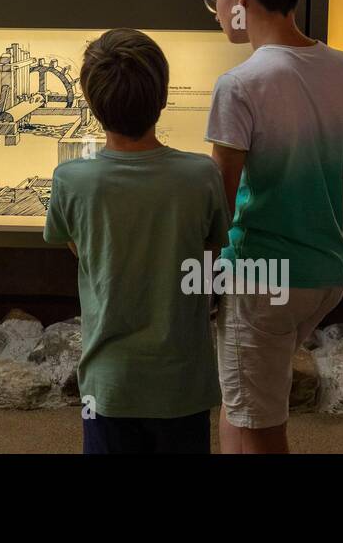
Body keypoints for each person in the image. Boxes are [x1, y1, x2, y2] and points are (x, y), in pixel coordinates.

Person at [202, 0, 343, 454]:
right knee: (245, 401)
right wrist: (329, 240)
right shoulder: (341, 67)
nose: (218, 11)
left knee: (259, 427)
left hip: (262, 279)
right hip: (326, 272)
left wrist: (206, 277)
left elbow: (219, 202)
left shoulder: (242, 84)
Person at [44, 28, 230, 454]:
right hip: (181, 383)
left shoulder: (70, 181)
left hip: (109, 383)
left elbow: (80, 248)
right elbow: (212, 249)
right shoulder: (201, 176)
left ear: (91, 104)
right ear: (163, 97)